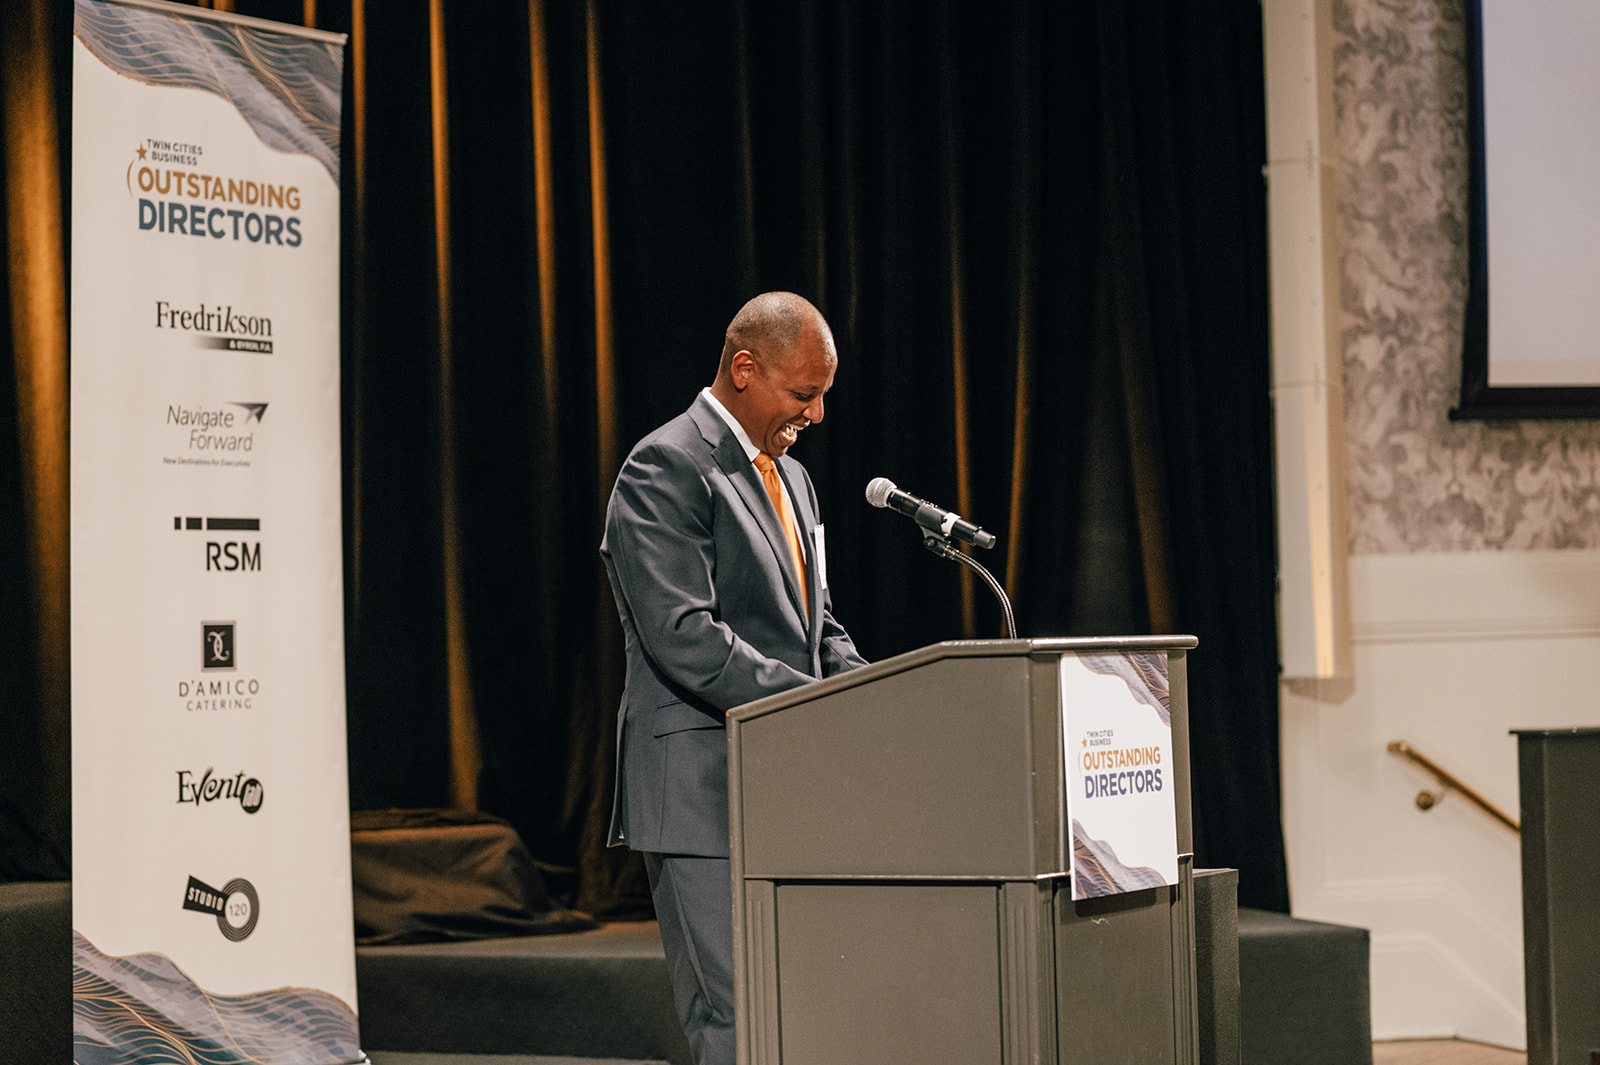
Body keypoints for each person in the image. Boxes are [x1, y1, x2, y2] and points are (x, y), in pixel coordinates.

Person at [600, 291, 867, 1065]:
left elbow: (820, 627)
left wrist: (875, 695)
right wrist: (819, 701)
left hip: (787, 785)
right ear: (744, 368)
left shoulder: (795, 480)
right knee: (740, 1021)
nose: (815, 415)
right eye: (803, 394)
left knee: (801, 1013)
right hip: (701, 795)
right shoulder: (664, 467)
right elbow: (686, 638)